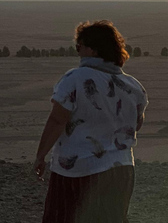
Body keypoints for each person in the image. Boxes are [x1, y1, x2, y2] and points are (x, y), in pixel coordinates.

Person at [34, 21, 148, 222]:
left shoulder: (74, 78)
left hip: (79, 170)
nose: (77, 51)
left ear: (95, 49)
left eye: (80, 46)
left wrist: (40, 155)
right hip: (121, 170)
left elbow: (57, 120)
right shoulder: (134, 86)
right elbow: (136, 124)